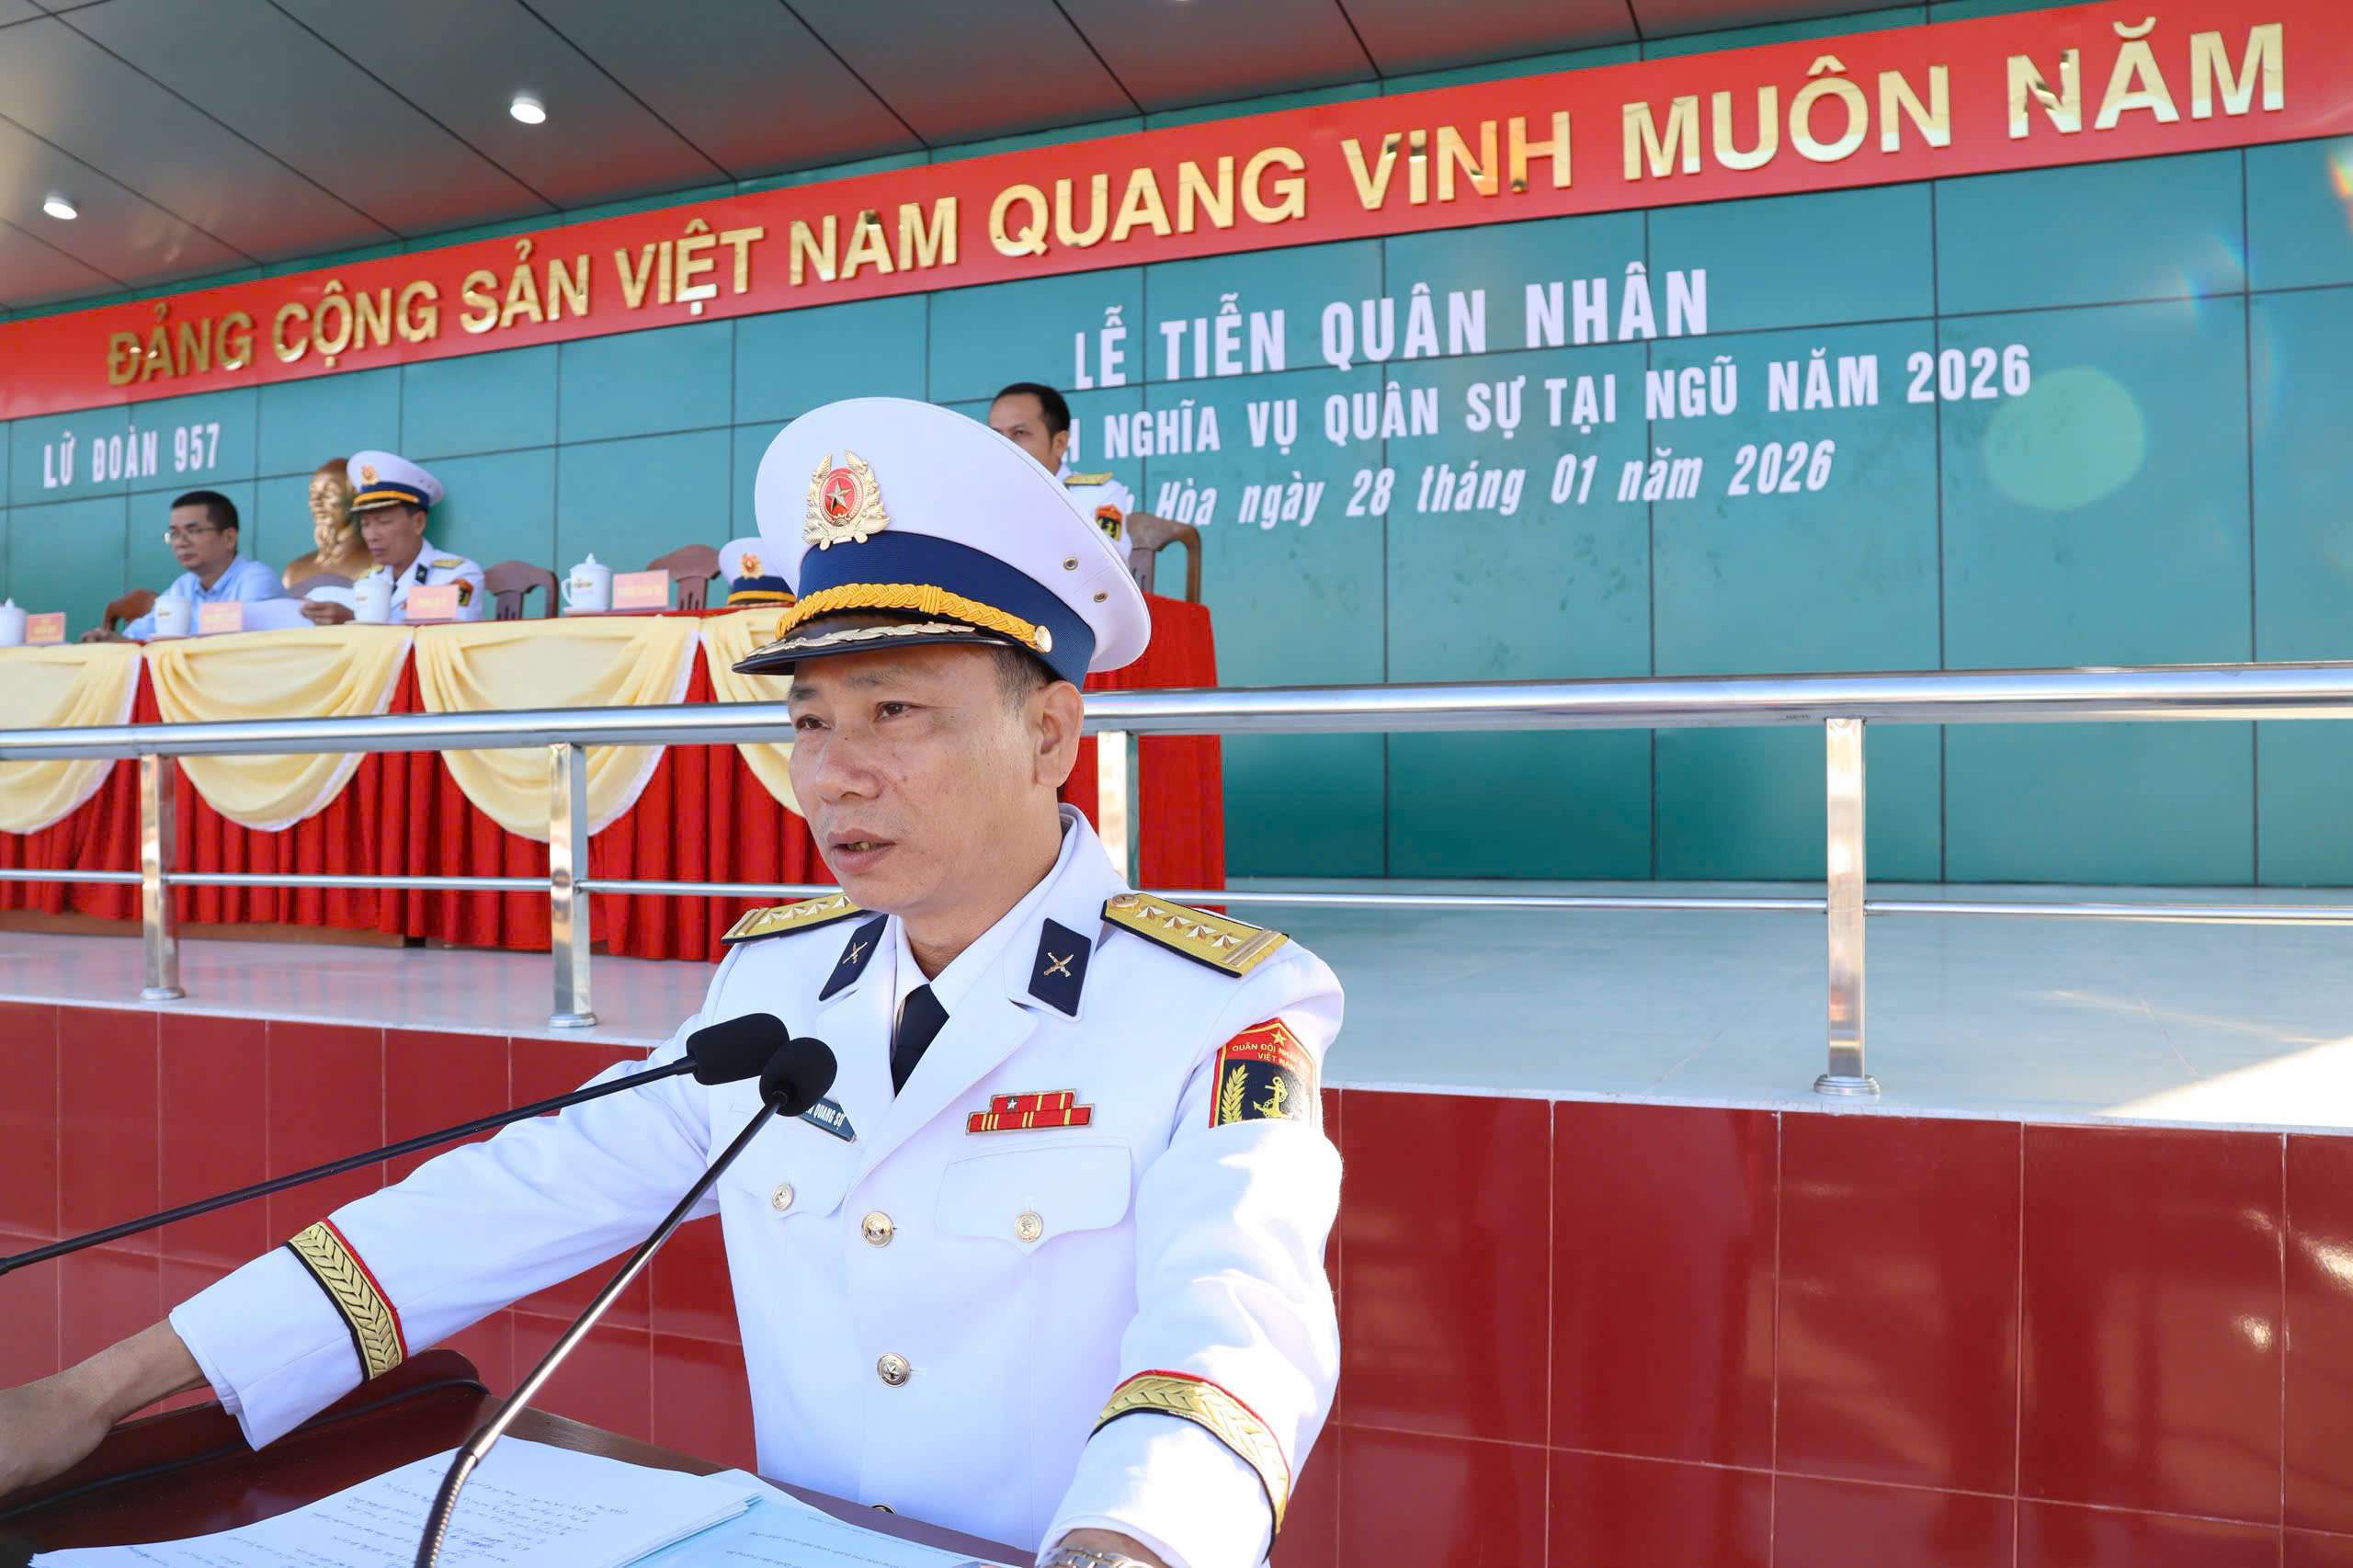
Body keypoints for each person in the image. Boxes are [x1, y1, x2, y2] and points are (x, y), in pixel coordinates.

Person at [0, 398, 1340, 1568]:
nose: (834, 774)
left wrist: (1125, 1545)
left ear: (1048, 732)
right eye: (809, 721)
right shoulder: (781, 984)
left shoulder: (1215, 1005)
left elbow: (1235, 1325)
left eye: (893, 711)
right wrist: (97, 1389)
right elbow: (497, 1201)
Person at [298, 450, 484, 624]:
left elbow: (441, 638)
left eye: (384, 522)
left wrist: (353, 620)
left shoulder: (457, 575)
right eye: (365, 524)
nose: (371, 536)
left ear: (418, 522)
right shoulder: (369, 579)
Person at [80, 490, 284, 642]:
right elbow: (144, 631)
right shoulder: (184, 586)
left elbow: (240, 643)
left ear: (229, 538)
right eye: (175, 534)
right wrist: (113, 640)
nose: (180, 542)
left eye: (193, 531)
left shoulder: (256, 579)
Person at [988, 381, 1134, 546]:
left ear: (1059, 443)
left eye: (1020, 433)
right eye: (995, 434)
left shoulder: (1099, 496)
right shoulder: (979, 496)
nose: (1004, 443)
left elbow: (1104, 559)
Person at [278, 458, 376, 587]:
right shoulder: (294, 572)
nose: (315, 502)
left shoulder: (377, 564)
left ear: (355, 498)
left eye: (329, 492)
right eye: (313, 493)